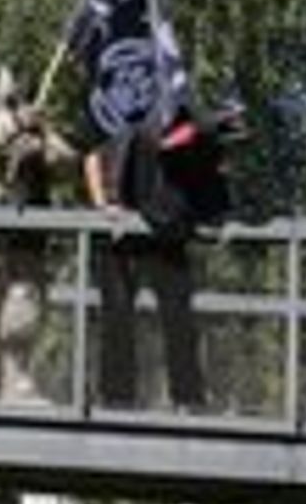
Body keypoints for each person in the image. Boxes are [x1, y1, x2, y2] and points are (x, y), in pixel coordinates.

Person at [84, 104, 238, 410]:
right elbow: (92, 159)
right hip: (125, 232)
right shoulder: (122, 119)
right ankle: (118, 397)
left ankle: (188, 397)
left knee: (178, 312)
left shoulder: (191, 136)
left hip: (166, 229)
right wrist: (104, 206)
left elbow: (210, 191)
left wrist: (215, 218)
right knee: (117, 310)